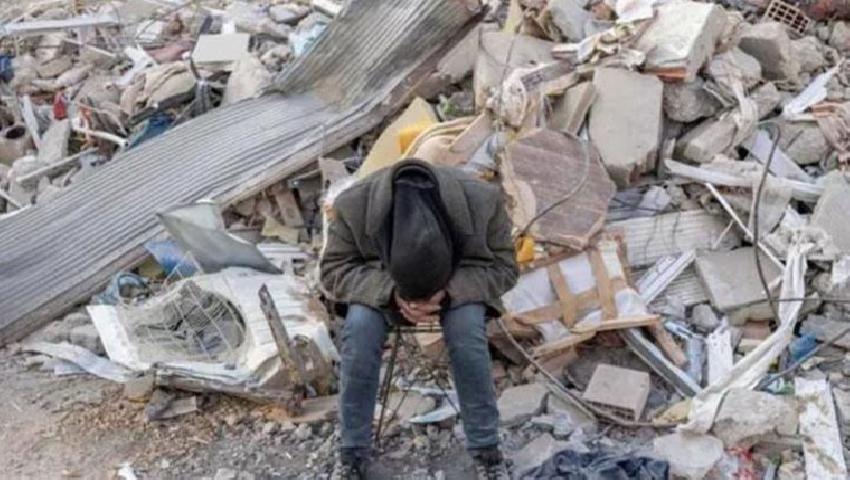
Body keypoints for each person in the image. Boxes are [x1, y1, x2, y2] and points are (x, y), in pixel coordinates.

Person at [320, 159, 519, 479]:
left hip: (459, 285)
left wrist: (450, 291)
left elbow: (505, 269)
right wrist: (391, 293)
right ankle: (352, 452)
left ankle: (487, 450)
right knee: (359, 329)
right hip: (381, 287)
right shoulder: (354, 205)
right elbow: (333, 271)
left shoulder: (482, 201)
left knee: (467, 331)